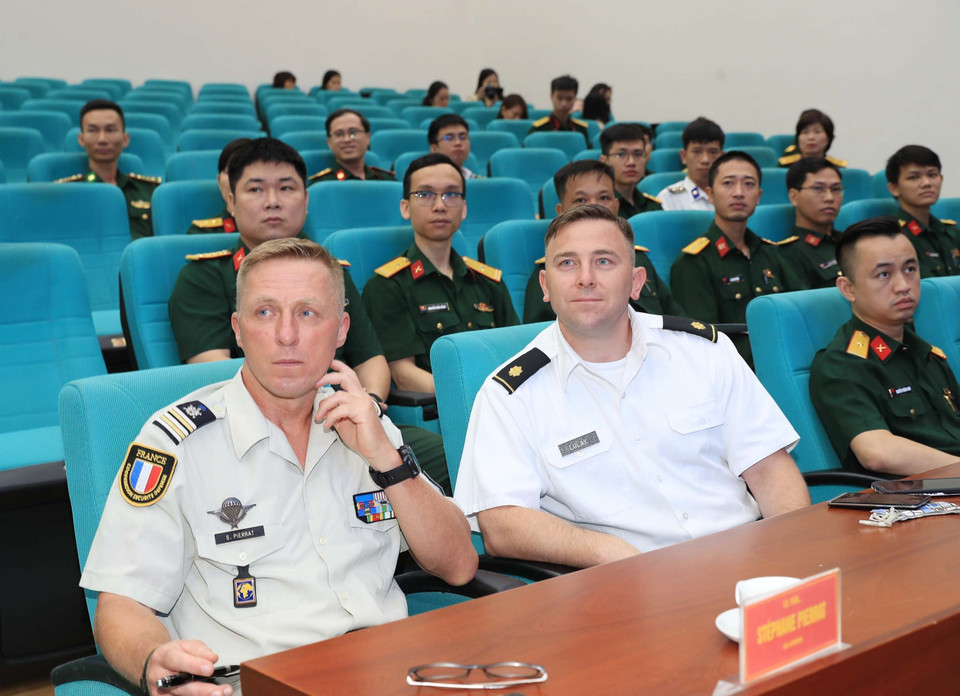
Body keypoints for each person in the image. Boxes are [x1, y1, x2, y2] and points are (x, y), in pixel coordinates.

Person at [82, 236, 478, 695]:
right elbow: (120, 604)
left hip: (387, 669)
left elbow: (459, 565)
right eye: (265, 312)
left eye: (308, 313)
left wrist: (386, 461)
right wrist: (156, 662)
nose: (286, 335)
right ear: (237, 327)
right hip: (259, 681)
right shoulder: (175, 445)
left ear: (342, 329)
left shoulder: (365, 425)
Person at [454, 204, 810, 568]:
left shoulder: (705, 351)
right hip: (624, 587)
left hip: (747, 560)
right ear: (546, 286)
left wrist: (793, 551)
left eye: (604, 261)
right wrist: (612, 554)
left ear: (637, 282)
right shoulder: (510, 394)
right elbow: (502, 525)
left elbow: (769, 468)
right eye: (567, 264)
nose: (585, 278)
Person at [169, 138, 451, 493]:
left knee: (457, 457)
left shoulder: (334, 274)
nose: (272, 200)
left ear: (306, 202)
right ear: (231, 201)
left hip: (348, 422)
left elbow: (371, 359)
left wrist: (370, 407)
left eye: (286, 187)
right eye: (256, 188)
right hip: (258, 436)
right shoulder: (203, 277)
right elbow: (214, 372)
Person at [810, 217, 960, 476]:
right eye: (884, 274)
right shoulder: (842, 365)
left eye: (910, 269)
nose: (903, 286)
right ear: (848, 289)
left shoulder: (928, 353)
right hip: (916, 499)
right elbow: (877, 453)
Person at [361, 154, 518, 394]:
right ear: (405, 207)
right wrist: (479, 396)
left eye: (451, 194)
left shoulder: (489, 281)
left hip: (507, 404)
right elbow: (404, 376)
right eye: (425, 195)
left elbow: (517, 352)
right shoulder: (387, 286)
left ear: (463, 209)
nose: (440, 205)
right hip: (447, 411)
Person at [670, 151, 805, 366]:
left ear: (759, 196)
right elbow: (703, 344)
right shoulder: (694, 262)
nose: (739, 193)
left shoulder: (771, 253)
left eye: (749, 184)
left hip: (786, 360)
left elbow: (800, 311)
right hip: (736, 371)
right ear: (710, 194)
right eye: (728, 184)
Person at [523, 159, 682, 323]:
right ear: (560, 211)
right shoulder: (552, 271)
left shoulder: (637, 258)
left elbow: (673, 320)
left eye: (604, 197)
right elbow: (537, 333)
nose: (594, 206)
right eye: (580, 200)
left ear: (616, 206)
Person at [56, 99, 161, 241]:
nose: (102, 139)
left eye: (110, 130)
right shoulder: (65, 192)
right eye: (93, 130)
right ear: (81, 139)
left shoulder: (151, 191)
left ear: (125, 139)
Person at [886, 145, 960, 278]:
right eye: (914, 177)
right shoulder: (895, 237)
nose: (926, 183)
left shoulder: (951, 233)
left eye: (932, 175)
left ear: (941, 179)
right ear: (894, 188)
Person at [777, 157, 845, 288]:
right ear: (794, 197)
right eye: (818, 189)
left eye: (836, 189)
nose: (829, 198)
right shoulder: (788, 254)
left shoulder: (851, 241)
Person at [656, 117, 724, 212]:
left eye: (712, 152)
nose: (705, 160)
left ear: (722, 157)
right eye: (697, 151)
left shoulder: (731, 195)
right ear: (684, 156)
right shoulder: (668, 198)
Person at [308, 109, 395, 183]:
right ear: (329, 142)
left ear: (367, 137)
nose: (347, 139)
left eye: (353, 133)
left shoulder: (386, 180)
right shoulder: (321, 185)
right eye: (339, 134)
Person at [186, 138, 252, 235]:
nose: (239, 182)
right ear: (219, 181)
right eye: (232, 173)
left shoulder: (280, 233)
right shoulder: (201, 233)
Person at [599, 123, 662, 218]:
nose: (631, 162)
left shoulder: (653, 206)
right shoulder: (600, 208)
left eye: (637, 154)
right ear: (604, 161)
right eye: (621, 154)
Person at [528, 75, 589, 146]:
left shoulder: (580, 129)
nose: (564, 103)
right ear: (551, 97)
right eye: (559, 98)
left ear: (575, 99)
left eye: (569, 99)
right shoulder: (538, 129)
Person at [778, 109, 847, 168]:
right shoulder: (784, 166)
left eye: (817, 132)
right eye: (805, 132)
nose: (811, 137)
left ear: (828, 138)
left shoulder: (837, 168)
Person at [428, 114, 480, 179]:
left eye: (463, 137)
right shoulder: (425, 182)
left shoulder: (480, 182)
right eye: (449, 138)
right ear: (434, 149)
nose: (458, 143)